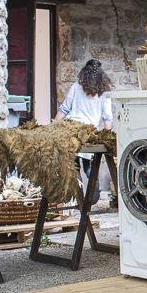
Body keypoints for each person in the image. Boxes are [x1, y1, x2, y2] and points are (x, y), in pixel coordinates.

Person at [54, 59, 113, 202]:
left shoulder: (76, 87)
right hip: (90, 133)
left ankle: (78, 186)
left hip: (72, 130)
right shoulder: (103, 92)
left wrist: (54, 127)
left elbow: (64, 108)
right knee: (88, 164)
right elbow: (107, 117)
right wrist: (107, 138)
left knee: (73, 162)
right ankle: (94, 183)